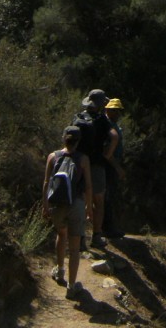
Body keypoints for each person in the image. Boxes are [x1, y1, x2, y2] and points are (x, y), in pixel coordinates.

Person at [42, 125, 92, 299]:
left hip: (57, 204)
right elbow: (88, 185)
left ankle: (60, 270)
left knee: (61, 234)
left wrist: (45, 205)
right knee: (75, 246)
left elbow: (47, 182)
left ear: (63, 138)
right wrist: (89, 206)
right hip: (76, 204)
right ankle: (71, 286)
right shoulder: (83, 159)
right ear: (78, 141)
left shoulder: (52, 157)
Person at [73, 89, 112, 250]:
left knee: (81, 201)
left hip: (79, 163)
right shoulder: (102, 120)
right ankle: (96, 236)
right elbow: (113, 137)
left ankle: (80, 238)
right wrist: (107, 156)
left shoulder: (78, 118)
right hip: (96, 165)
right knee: (98, 201)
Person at [101, 98, 127, 239]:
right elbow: (107, 152)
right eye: (115, 110)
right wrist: (118, 168)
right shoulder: (107, 127)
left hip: (112, 165)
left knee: (110, 197)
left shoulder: (112, 125)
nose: (117, 113)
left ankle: (110, 226)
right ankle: (107, 228)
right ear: (108, 111)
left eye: (119, 111)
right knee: (107, 197)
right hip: (108, 166)